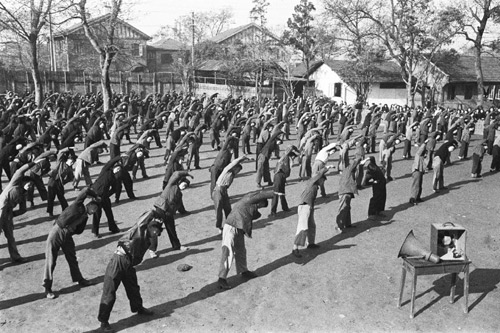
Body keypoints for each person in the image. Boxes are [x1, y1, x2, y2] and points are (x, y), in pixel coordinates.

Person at [97, 213, 162, 332]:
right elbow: (142, 220)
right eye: (155, 230)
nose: (156, 233)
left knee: (133, 287)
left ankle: (138, 308)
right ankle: (103, 321)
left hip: (129, 264)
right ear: (150, 226)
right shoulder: (138, 229)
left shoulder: (147, 241)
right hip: (118, 260)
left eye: (158, 232)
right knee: (109, 291)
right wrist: (153, 211)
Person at [43, 188, 100, 299]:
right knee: (51, 261)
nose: (93, 211)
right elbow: (85, 190)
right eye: (93, 208)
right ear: (89, 205)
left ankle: (79, 279)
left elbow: (78, 231)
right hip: (57, 232)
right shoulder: (78, 205)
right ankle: (47, 288)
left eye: (95, 211)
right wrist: (95, 195)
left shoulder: (85, 217)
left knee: (72, 257)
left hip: (67, 235)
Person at [218, 191, 274, 290]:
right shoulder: (248, 200)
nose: (260, 207)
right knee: (228, 252)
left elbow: (254, 215)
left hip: (239, 229)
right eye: (261, 205)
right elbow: (261, 195)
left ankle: (243, 271)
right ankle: (222, 278)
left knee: (241, 251)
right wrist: (275, 193)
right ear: (259, 200)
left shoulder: (253, 207)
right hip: (231, 226)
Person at [149, 171, 192, 258]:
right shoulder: (171, 185)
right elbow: (176, 174)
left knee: (172, 230)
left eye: (186, 186)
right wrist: (187, 174)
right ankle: (152, 250)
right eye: (184, 184)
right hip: (160, 209)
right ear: (179, 182)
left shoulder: (180, 194)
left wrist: (177, 212)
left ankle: (177, 246)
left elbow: (179, 206)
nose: (184, 187)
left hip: (169, 213)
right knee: (155, 229)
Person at [291, 166, 332, 258]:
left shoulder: (315, 186)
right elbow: (319, 174)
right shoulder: (312, 182)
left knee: (311, 226)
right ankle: (295, 248)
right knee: (302, 228)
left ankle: (310, 243)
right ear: (319, 179)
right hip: (304, 207)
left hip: (309, 207)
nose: (322, 183)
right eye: (323, 181)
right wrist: (327, 167)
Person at [0, 163, 33, 263]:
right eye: (29, 184)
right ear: (23, 183)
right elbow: (19, 171)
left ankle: (15, 257)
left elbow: (23, 210)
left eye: (31, 185)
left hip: (7, 215)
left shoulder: (23, 194)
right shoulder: (13, 185)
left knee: (10, 237)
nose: (30, 186)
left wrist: (12, 214)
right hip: (0, 210)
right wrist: (34, 162)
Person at [213, 156, 248, 233]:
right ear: (235, 168)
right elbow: (234, 162)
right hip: (218, 191)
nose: (237, 172)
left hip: (224, 191)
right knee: (219, 209)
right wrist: (243, 158)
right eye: (238, 170)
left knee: (228, 208)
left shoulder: (232, 175)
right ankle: (219, 227)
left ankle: (230, 223)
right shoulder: (227, 170)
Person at [90, 157, 122, 237]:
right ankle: (95, 231)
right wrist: (119, 157)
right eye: (117, 168)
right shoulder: (105, 170)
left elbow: (114, 189)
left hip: (104, 197)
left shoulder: (115, 178)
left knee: (109, 213)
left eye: (119, 169)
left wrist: (107, 195)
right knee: (97, 213)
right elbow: (110, 162)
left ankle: (113, 228)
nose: (118, 170)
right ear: (113, 167)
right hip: (96, 195)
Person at [46, 148, 76, 217]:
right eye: (71, 160)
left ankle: (65, 211)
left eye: (73, 162)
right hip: (52, 181)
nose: (71, 162)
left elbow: (70, 178)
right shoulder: (60, 162)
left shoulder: (69, 169)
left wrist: (63, 182)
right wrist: (68, 148)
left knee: (62, 197)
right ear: (68, 159)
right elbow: (60, 152)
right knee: (51, 197)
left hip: (59, 183)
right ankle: (50, 212)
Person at [336, 158, 362, 233]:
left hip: (347, 191)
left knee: (347, 208)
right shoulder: (349, 169)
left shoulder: (347, 171)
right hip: (345, 191)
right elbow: (354, 163)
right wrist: (360, 159)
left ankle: (347, 224)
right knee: (343, 208)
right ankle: (339, 226)